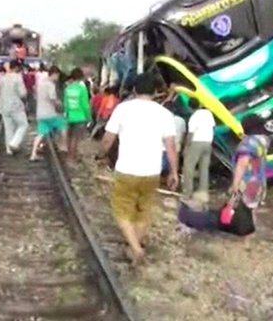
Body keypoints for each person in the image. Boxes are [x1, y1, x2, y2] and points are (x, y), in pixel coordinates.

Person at [98, 72, 179, 265]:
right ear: (156, 92)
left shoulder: (123, 109)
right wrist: (174, 172)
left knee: (121, 211)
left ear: (134, 89)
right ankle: (134, 249)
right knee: (143, 211)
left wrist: (100, 154)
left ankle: (135, 247)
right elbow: (171, 147)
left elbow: (108, 138)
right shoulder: (165, 114)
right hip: (151, 171)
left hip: (126, 169)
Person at [177, 114, 269, 237]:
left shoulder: (248, 143)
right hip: (259, 182)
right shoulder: (263, 141)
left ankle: (192, 219)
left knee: (233, 208)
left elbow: (242, 164)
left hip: (245, 183)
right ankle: (248, 232)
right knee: (250, 208)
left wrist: (235, 184)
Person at [182, 97, 215, 209]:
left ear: (190, 107)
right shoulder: (208, 114)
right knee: (204, 168)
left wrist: (186, 147)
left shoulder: (194, 117)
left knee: (188, 167)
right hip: (208, 142)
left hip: (197, 142)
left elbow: (190, 134)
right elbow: (212, 127)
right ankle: (203, 192)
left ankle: (187, 193)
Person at [30, 66, 68, 161]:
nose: (58, 78)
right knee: (63, 125)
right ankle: (63, 146)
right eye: (58, 75)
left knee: (40, 134)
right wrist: (60, 104)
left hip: (41, 113)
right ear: (54, 74)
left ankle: (33, 154)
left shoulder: (41, 83)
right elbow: (53, 99)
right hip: (50, 113)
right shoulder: (50, 84)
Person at [0, 60, 28, 155]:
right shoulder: (18, 78)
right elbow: (23, 93)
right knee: (23, 125)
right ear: (16, 67)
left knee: (8, 128)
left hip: (4, 106)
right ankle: (14, 144)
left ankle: (9, 150)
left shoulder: (2, 78)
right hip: (15, 106)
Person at [64, 68, 91, 161]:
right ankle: (72, 157)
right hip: (80, 116)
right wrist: (89, 117)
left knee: (69, 136)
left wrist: (66, 114)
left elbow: (66, 104)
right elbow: (85, 105)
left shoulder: (68, 88)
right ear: (81, 77)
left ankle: (69, 155)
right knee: (75, 138)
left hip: (70, 116)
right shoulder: (82, 89)